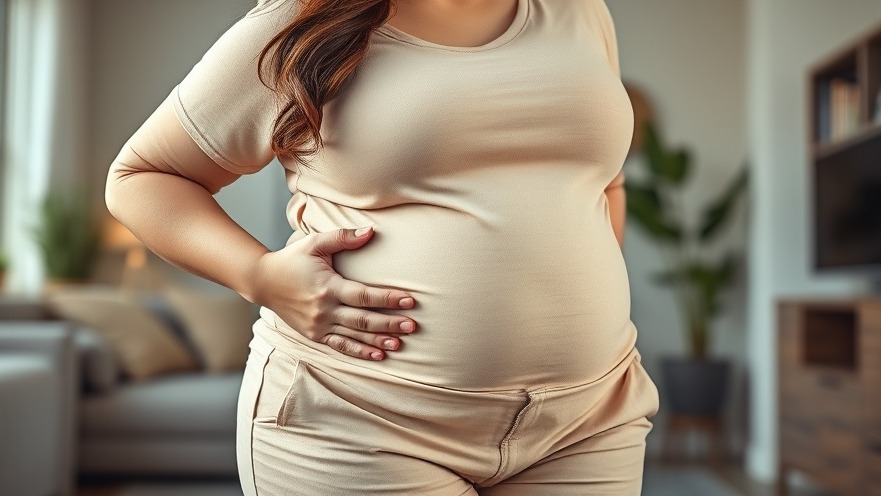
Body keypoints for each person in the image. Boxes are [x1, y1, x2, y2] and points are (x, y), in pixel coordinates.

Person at [104, 0, 661, 494]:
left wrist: (564, 310)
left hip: (585, 420)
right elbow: (142, 177)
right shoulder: (300, 23)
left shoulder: (582, 11)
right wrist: (261, 276)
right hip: (360, 417)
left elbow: (602, 178)